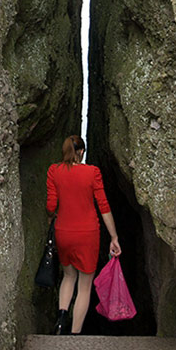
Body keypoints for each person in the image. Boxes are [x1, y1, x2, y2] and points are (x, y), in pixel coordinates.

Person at [46, 135, 120, 335]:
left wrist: (52, 217)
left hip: (64, 232)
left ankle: (61, 320)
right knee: (85, 286)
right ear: (80, 152)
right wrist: (113, 237)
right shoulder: (92, 172)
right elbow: (103, 206)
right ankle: (75, 333)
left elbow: (51, 206)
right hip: (88, 234)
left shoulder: (54, 171)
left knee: (68, 276)